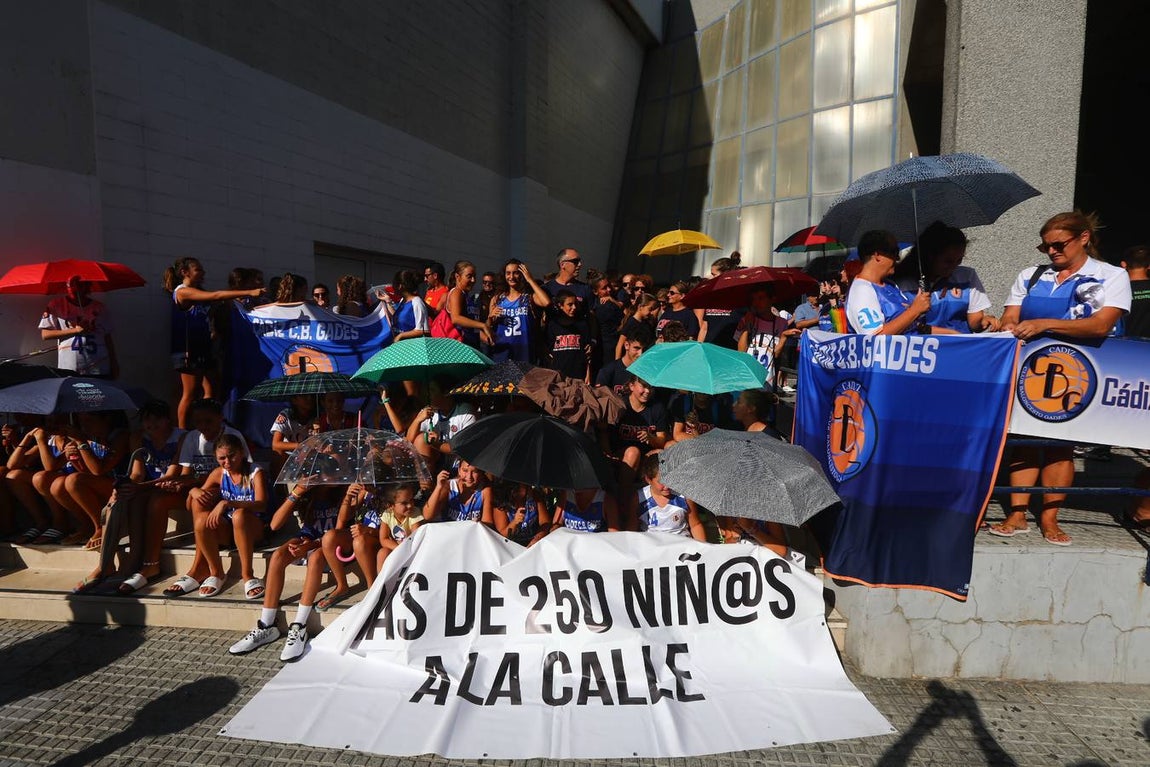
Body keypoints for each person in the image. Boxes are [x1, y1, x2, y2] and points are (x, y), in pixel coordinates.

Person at [993, 211, 1131, 546]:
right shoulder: (1030, 274)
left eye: (1059, 244)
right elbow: (1010, 316)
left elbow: (1101, 325)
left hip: (1078, 373)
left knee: (1060, 446)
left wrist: (1043, 324)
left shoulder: (1110, 276)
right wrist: (1002, 325)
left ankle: (1049, 517)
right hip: (1030, 371)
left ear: (1084, 237)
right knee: (1024, 442)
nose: (1052, 251)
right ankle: (1017, 512)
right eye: (1046, 246)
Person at [227, 477, 339, 660]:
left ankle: (299, 626)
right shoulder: (307, 492)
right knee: (278, 556)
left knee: (316, 557)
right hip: (309, 538)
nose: (321, 478)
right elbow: (274, 525)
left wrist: (311, 545)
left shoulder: (341, 491)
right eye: (318, 474)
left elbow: (339, 530)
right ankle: (267, 625)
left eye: (325, 474)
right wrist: (298, 491)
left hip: (330, 543)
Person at [162, 257, 263, 428]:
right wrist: (248, 292)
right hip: (188, 350)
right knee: (190, 393)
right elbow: (216, 295)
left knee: (212, 389)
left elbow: (215, 304)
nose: (203, 273)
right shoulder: (182, 292)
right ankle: (182, 432)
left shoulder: (197, 291)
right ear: (184, 273)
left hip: (203, 348)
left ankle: (206, 423)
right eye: (198, 270)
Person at [187, 433, 268, 599]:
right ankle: (216, 572)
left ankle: (248, 574)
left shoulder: (255, 472)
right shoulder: (219, 473)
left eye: (232, 456)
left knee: (239, 515)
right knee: (201, 520)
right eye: (222, 458)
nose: (227, 462)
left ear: (242, 453)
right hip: (230, 530)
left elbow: (262, 504)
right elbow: (190, 505)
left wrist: (228, 503)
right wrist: (193, 490)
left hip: (253, 528)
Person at [893, 221, 997, 333]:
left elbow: (974, 323)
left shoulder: (967, 276)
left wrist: (985, 321)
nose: (954, 267)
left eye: (959, 260)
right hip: (924, 346)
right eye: (948, 261)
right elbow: (903, 326)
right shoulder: (901, 284)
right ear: (930, 256)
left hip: (961, 345)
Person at [844, 230, 932, 336]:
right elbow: (875, 338)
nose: (898, 258)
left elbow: (910, 325)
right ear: (878, 255)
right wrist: (914, 311)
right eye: (894, 252)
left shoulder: (890, 284)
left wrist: (952, 334)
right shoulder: (861, 291)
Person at [39, 275, 118, 378]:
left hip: (98, 366)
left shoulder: (99, 307)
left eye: (79, 285)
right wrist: (75, 331)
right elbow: (45, 334)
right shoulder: (56, 305)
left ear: (87, 286)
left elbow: (107, 337)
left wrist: (114, 363)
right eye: (70, 285)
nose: (74, 289)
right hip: (69, 366)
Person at [405, 376, 477, 473]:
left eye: (432, 390)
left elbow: (464, 448)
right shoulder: (427, 411)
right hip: (436, 463)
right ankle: (426, 485)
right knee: (421, 439)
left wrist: (437, 444)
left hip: (460, 466)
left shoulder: (465, 412)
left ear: (446, 392)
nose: (428, 394)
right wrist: (417, 420)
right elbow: (408, 441)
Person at [632, 453, 708, 541]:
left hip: (681, 547)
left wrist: (703, 548)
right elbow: (632, 527)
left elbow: (695, 524)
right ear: (648, 479)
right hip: (652, 547)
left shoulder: (684, 495)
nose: (667, 486)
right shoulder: (639, 497)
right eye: (661, 482)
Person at [487, 259, 550, 363]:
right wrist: (490, 317)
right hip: (503, 352)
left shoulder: (528, 298)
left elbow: (546, 302)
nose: (511, 277)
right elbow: (488, 327)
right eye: (508, 273)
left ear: (522, 274)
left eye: (515, 273)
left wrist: (530, 279)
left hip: (524, 351)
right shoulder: (497, 299)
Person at [736, 286, 798, 389]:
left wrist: (783, 337)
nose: (757, 303)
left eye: (761, 298)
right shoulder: (746, 319)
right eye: (754, 299)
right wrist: (747, 325)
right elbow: (741, 352)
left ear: (772, 299)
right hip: (747, 378)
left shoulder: (781, 322)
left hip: (768, 379)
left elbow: (776, 354)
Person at [543, 290, 593, 382]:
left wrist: (588, 374)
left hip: (578, 374)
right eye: (570, 304)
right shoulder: (552, 325)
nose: (574, 307)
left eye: (575, 304)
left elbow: (587, 354)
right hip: (558, 375)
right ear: (560, 305)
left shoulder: (582, 324)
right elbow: (548, 353)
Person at [445, 260, 493, 349]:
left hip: (471, 345)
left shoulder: (466, 295)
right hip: (459, 347)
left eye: (474, 276)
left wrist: (488, 338)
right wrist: (482, 325)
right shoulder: (457, 292)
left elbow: (472, 328)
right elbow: (456, 318)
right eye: (469, 276)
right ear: (457, 277)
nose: (473, 280)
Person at [597, 324, 653, 398]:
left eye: (644, 350)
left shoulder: (647, 372)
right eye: (636, 348)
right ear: (626, 345)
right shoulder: (608, 372)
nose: (640, 354)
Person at [424, 461, 489, 523]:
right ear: (459, 470)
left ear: (481, 473)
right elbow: (428, 516)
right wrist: (438, 487)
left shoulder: (484, 491)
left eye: (475, 471)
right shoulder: (449, 486)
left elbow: (488, 524)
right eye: (465, 470)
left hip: (471, 533)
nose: (469, 476)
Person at [489, 480, 550, 546]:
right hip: (511, 547)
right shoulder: (501, 502)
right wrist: (515, 522)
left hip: (534, 544)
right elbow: (502, 536)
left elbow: (545, 522)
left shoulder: (535, 496)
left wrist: (538, 537)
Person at [543, 247, 593, 316]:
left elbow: (591, 315)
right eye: (575, 261)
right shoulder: (547, 288)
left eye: (579, 261)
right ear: (562, 265)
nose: (580, 264)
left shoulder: (585, 289)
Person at [590, 276, 624, 370]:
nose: (609, 290)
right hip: (606, 349)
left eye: (609, 286)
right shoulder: (604, 307)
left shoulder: (609, 303)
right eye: (604, 288)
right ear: (595, 292)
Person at [552, 487, 619, 533]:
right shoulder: (566, 495)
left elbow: (614, 536)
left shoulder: (606, 499)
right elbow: (555, 529)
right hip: (570, 550)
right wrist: (555, 528)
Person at [615, 293, 659, 358]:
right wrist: (617, 365)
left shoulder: (646, 323)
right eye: (650, 309)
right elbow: (620, 345)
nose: (651, 312)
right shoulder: (631, 323)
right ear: (640, 307)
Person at [390, 269, 430, 342]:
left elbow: (423, 330)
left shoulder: (417, 302)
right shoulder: (402, 301)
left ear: (400, 286)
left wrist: (401, 335)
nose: (393, 287)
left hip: (411, 347)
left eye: (394, 284)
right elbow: (400, 319)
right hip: (399, 346)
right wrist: (387, 302)